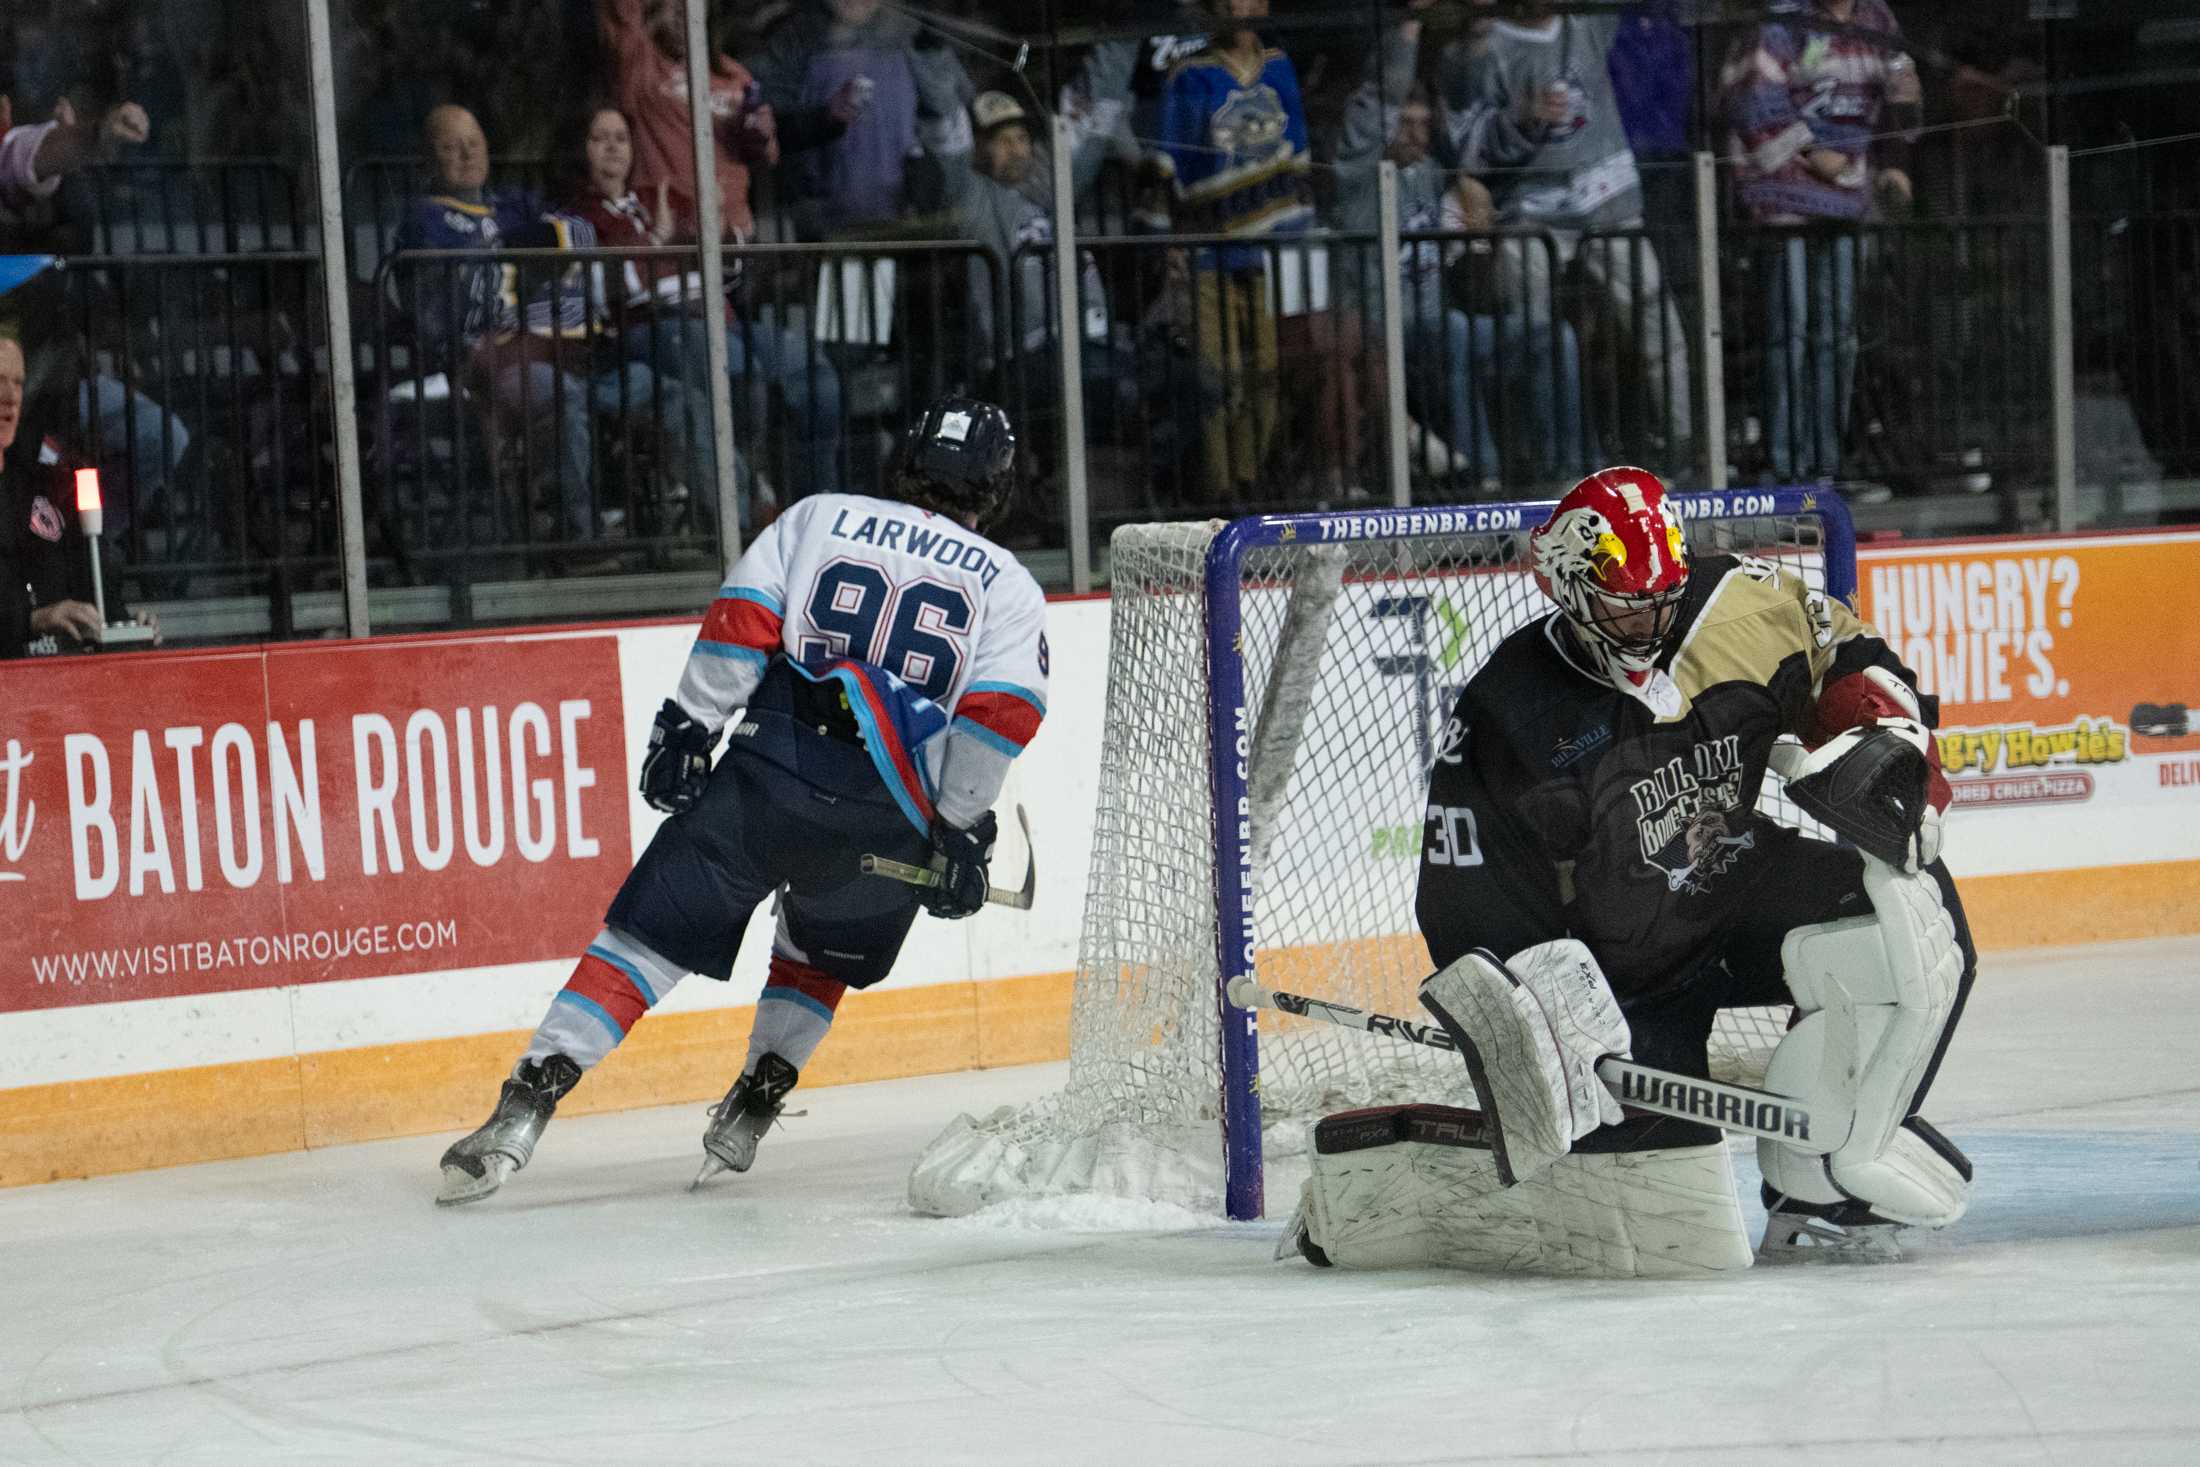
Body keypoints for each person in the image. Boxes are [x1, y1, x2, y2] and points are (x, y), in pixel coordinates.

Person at [1292, 468, 1972, 1271]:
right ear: (1570, 590)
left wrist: (1881, 713)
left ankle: (1821, 1185)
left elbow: (1839, 648)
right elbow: (1459, 904)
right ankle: (1385, 1191)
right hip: (1619, 981)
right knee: (1663, 1230)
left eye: (1663, 595)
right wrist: (1541, 1019)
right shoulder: (1510, 712)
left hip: (1733, 883)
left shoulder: (1734, 603)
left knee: (1906, 924)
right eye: (1624, 603)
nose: (1649, 618)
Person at [437, 396, 1049, 1204]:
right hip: (884, 814)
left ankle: (526, 1104)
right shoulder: (1008, 583)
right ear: (995, 487)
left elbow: (743, 622)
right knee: (817, 954)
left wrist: (689, 728)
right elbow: (1000, 713)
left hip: (769, 774)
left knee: (647, 941)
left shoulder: (820, 516)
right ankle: (753, 1103)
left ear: (906, 458)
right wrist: (961, 834)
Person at [393, 104, 673, 548]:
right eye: (451, 147)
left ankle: (726, 524)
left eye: (475, 143)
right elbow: (457, 297)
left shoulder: (513, 203)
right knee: (563, 397)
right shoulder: (426, 219)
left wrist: (516, 246)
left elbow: (581, 234)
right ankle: (580, 540)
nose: (467, 154)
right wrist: (525, 252)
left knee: (661, 389)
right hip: (492, 363)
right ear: (430, 162)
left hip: (568, 353)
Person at [562, 103, 846, 529]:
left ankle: (817, 508)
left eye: (621, 138)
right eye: (600, 139)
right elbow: (610, 291)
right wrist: (660, 245)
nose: (613, 149)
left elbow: (728, 264)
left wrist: (710, 232)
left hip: (716, 315)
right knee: (735, 369)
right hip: (648, 327)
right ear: (581, 150)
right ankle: (755, 509)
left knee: (813, 372)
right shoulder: (578, 215)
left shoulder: (661, 197)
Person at [1441, 2, 1693, 472]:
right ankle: (1548, 463)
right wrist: (1519, 118)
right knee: (1534, 339)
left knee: (1660, 328)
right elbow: (1469, 146)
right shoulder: (1486, 48)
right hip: (1532, 212)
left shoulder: (1585, 22)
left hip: (1609, 202)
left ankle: (1688, 450)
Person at [1722, 0, 1919, 484]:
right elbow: (1754, 99)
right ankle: (1787, 462)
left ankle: (1826, 463)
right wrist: (1812, 150)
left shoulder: (1877, 18)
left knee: (1838, 335)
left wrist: (1896, 160)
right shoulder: (1782, 20)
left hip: (1849, 200)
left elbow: (1902, 95)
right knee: (1789, 332)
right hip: (1784, 196)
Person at [1158, 0, 1314, 505]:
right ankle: (1221, 492)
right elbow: (1167, 170)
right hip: (1211, 254)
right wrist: (1169, 246)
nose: (1236, 5)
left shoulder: (1280, 65)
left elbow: (1301, 157)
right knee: (1217, 379)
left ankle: (1252, 480)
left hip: (1274, 253)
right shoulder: (1189, 76)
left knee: (1267, 373)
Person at [0, 327, 158, 655]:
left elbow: (85, 574)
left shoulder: (39, 485)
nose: (10, 396)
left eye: (18, 382)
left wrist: (124, 625)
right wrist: (31, 620)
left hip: (61, 682)